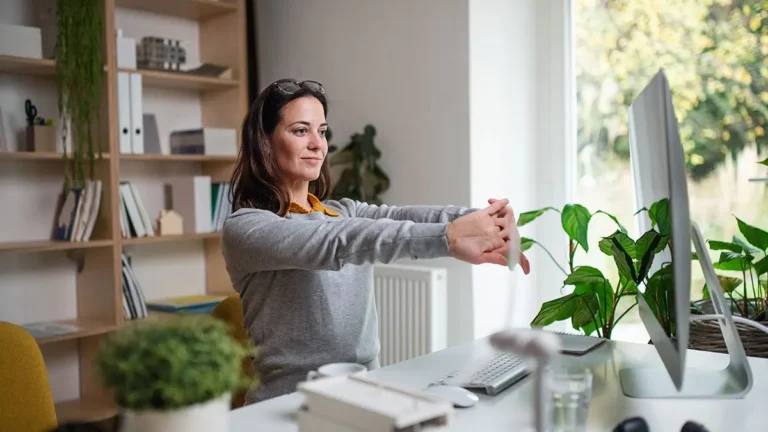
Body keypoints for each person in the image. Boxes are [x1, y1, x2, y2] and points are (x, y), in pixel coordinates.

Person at [221, 78, 530, 404]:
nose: (317, 144)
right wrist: (449, 237)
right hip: (289, 403)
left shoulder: (343, 211)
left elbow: (402, 216)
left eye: (322, 131)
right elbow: (336, 242)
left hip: (367, 391)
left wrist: (486, 218)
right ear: (265, 142)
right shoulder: (247, 228)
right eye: (301, 131)